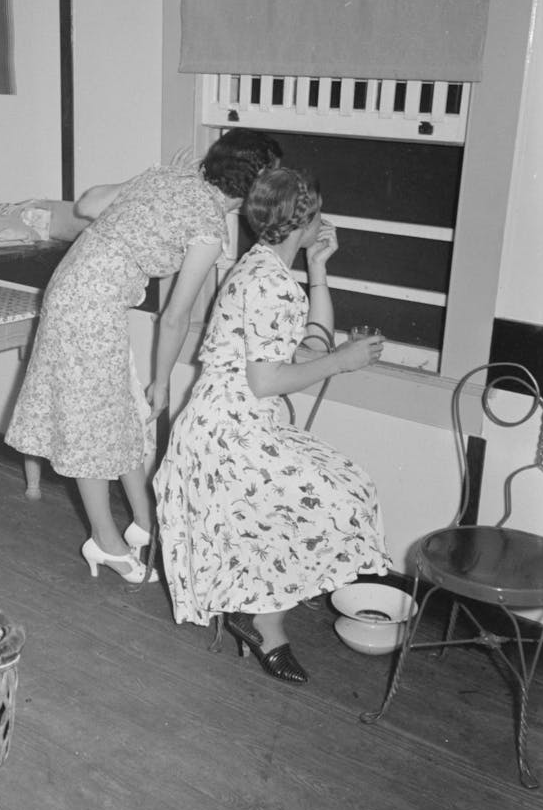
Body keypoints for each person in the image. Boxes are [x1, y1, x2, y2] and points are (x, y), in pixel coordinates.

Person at [5, 130, 283, 584]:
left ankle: (144, 523)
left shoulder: (169, 179)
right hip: (89, 306)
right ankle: (105, 542)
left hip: (77, 292)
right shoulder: (210, 227)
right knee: (91, 429)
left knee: (122, 412)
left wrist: (147, 184)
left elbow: (92, 204)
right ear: (256, 187)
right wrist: (163, 379)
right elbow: (174, 317)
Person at [153, 166, 391, 684]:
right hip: (226, 433)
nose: (324, 222)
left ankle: (258, 615)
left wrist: (319, 269)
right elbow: (268, 381)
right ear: (303, 219)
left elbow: (312, 344)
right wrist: (343, 363)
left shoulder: (267, 267)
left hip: (237, 423)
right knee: (343, 499)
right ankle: (263, 622)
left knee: (346, 490)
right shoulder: (268, 284)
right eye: (319, 215)